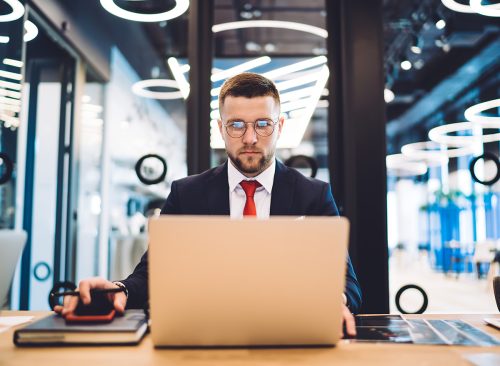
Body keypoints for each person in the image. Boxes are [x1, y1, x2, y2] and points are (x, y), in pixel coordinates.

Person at [55, 72, 362, 336]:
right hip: (203, 337)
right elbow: (153, 274)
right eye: (237, 125)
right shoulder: (187, 194)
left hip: (291, 336)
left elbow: (346, 281)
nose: (251, 138)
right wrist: (117, 290)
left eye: (263, 124)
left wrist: (334, 301)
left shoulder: (314, 195)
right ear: (220, 128)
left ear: (279, 126)